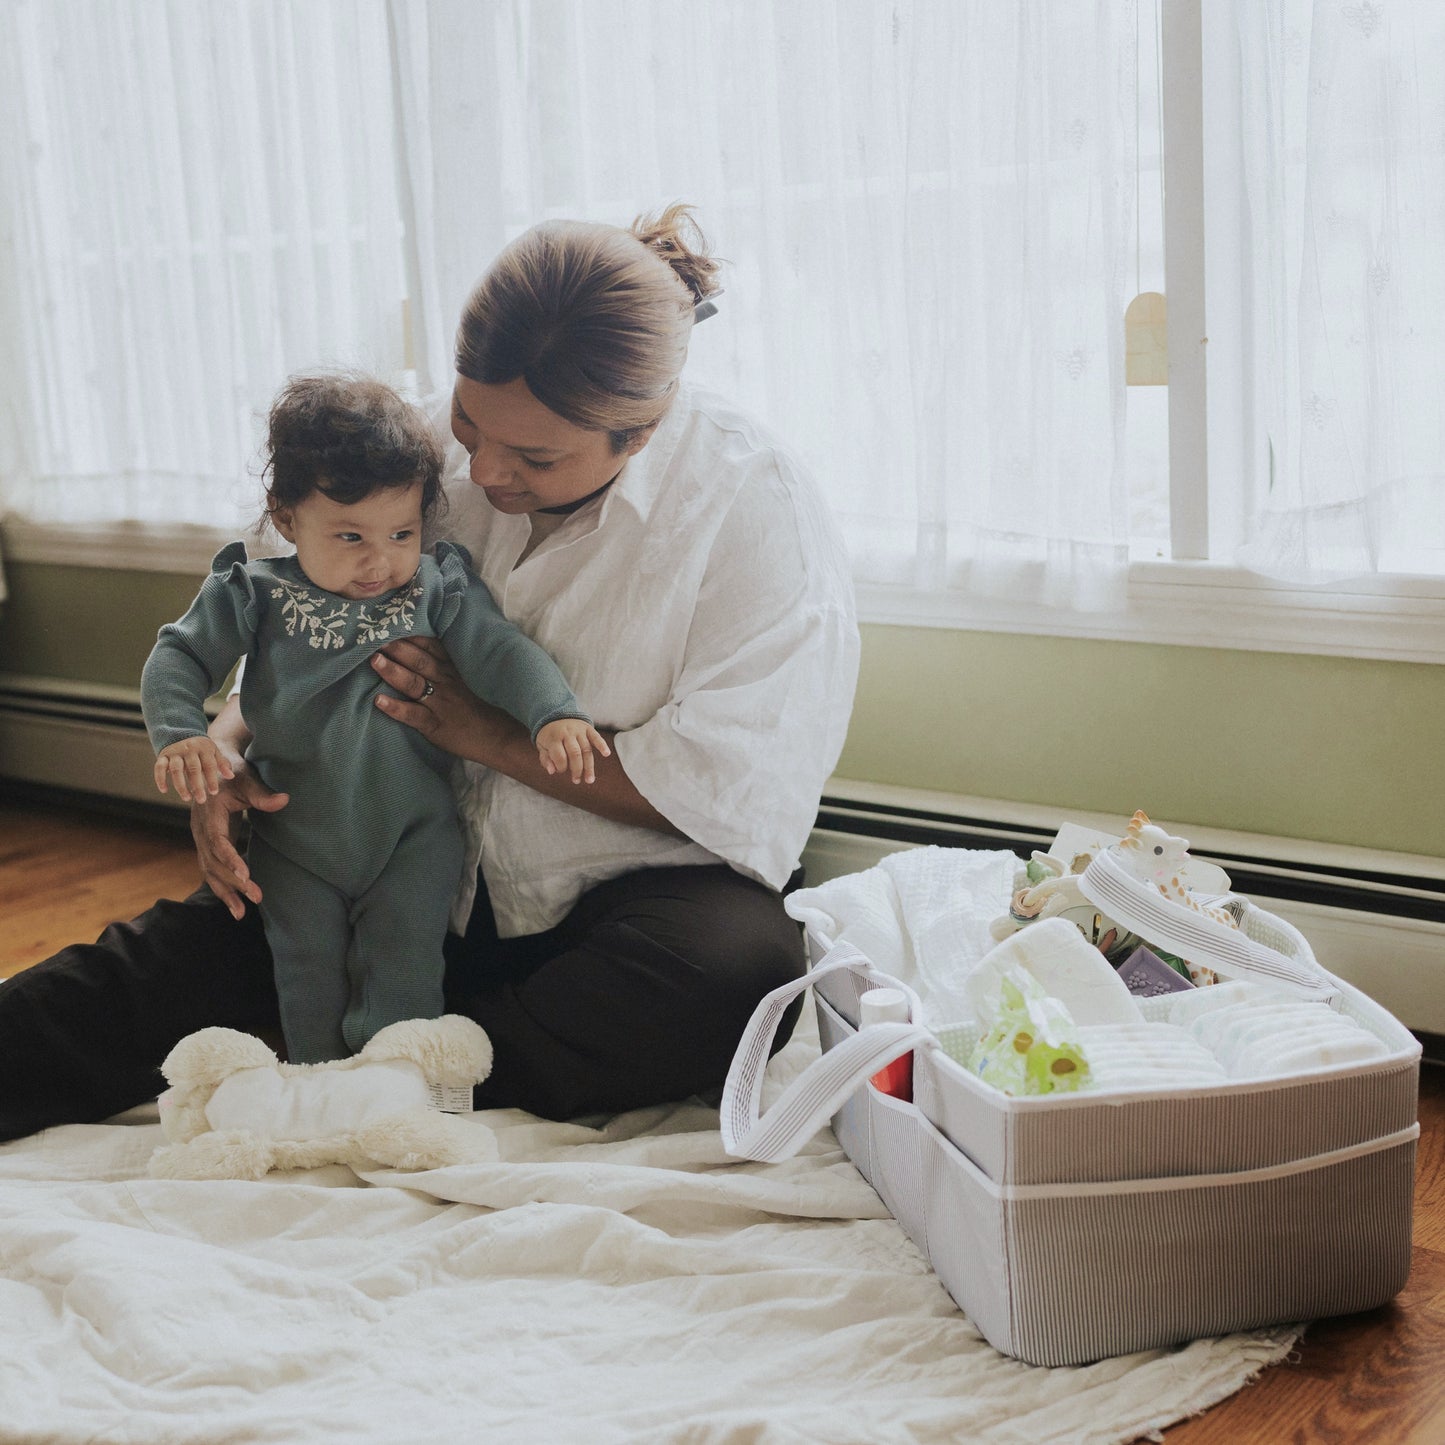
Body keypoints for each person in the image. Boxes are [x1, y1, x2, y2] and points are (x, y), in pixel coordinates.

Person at [0, 204, 860, 1140]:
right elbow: (286, 611)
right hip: (381, 846)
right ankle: (368, 1046)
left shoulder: (750, 506)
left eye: (534, 455)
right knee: (151, 970)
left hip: (621, 890)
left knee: (741, 975)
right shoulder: (413, 444)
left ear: (641, 431)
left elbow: (729, 787)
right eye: (467, 420)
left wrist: (491, 733)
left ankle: (372, 1068)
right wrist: (224, 745)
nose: (481, 468)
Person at [141, 373, 608, 1063]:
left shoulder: (436, 584)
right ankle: (321, 1081)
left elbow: (501, 651)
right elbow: (176, 657)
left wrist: (552, 714)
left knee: (406, 967)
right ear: (285, 515)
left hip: (412, 835)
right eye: (350, 535)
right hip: (294, 838)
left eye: (401, 531)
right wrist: (180, 731)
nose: (379, 559)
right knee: (307, 973)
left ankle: (395, 1080)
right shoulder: (253, 592)